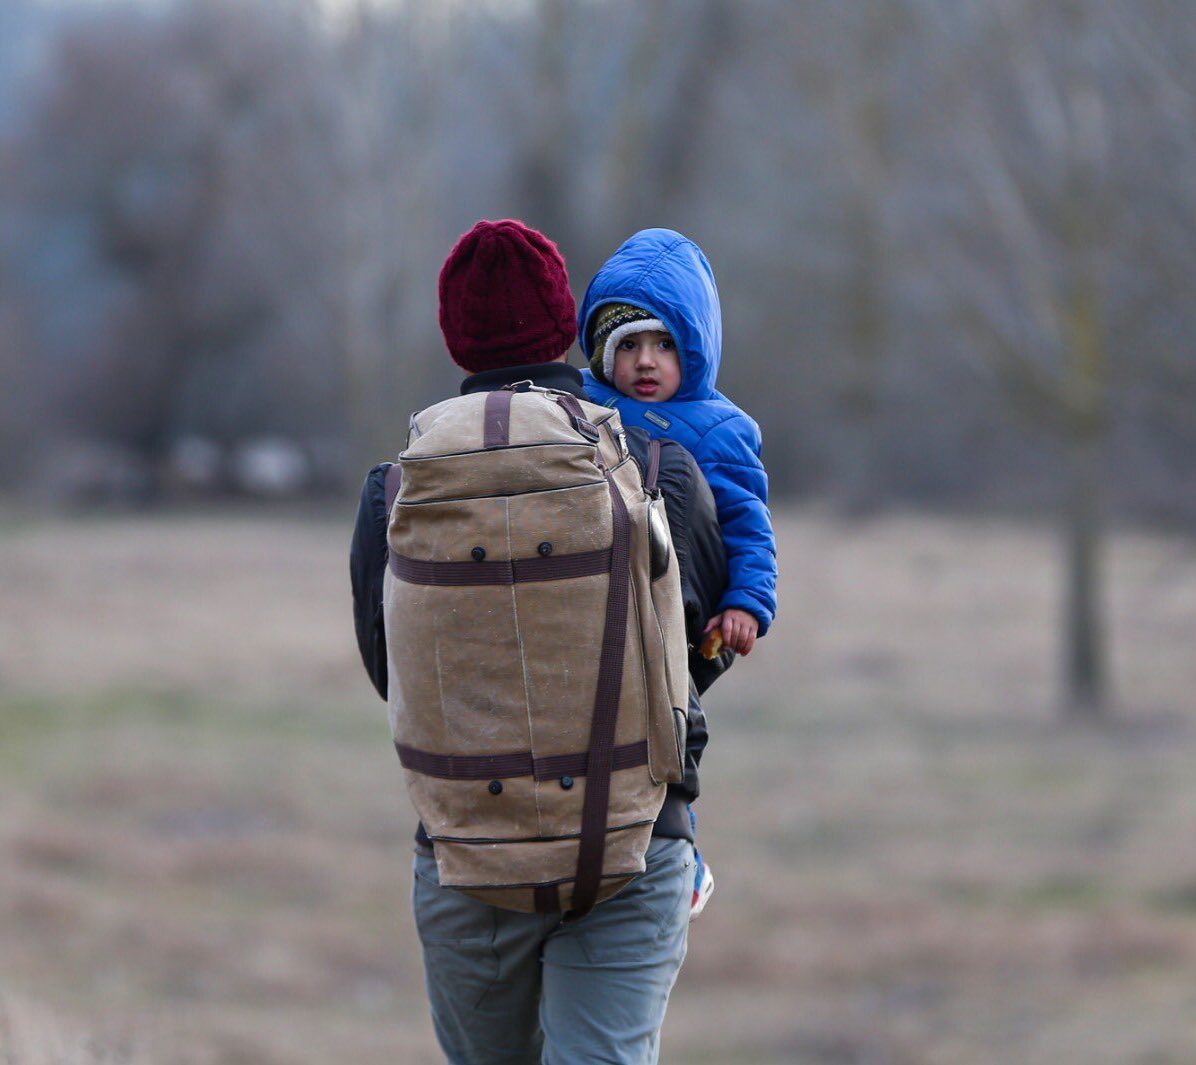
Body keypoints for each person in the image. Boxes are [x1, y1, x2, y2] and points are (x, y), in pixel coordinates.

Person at [349, 218, 729, 1065]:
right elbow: (698, 649)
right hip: (632, 847)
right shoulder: (654, 463)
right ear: (569, 326)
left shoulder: (395, 490)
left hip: (469, 856)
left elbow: (391, 666)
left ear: (454, 335)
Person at [576, 228, 779, 916]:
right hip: (598, 595)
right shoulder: (579, 408)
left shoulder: (721, 429)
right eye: (627, 344)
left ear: (693, 349)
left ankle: (679, 847)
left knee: (670, 720)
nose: (644, 360)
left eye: (663, 344)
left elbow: (749, 525)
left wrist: (747, 601)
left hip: (686, 607)